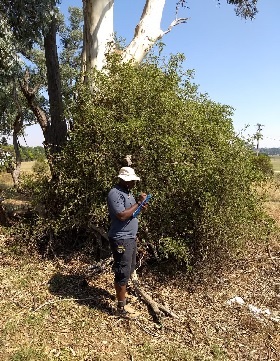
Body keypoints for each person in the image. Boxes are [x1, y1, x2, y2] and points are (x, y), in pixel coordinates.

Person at [107, 166, 147, 317]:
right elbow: (122, 216)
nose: (134, 184)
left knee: (130, 268)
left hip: (130, 237)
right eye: (132, 181)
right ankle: (121, 308)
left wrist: (140, 207)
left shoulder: (127, 193)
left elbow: (130, 213)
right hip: (121, 238)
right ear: (123, 180)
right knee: (122, 271)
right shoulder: (114, 193)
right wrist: (138, 202)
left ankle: (121, 296)